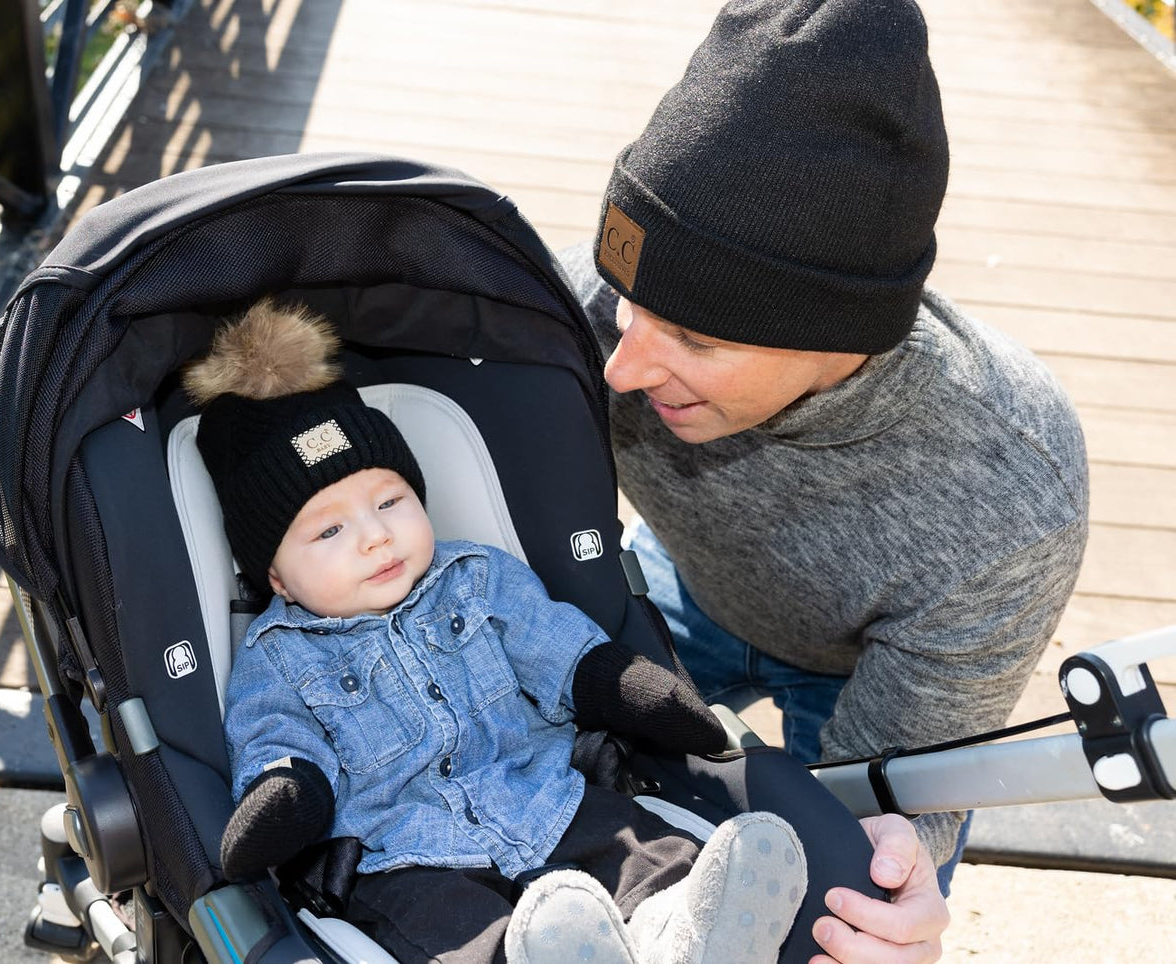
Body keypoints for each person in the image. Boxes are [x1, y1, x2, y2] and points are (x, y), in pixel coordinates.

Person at [559, 0, 1089, 958]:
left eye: (694, 338)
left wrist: (890, 873)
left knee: (840, 891)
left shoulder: (1009, 501)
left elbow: (900, 791)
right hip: (682, 582)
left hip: (862, 676)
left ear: (843, 334)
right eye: (629, 301)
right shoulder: (600, 318)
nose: (619, 368)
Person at [188, 299, 811, 964]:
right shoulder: (277, 657)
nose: (375, 537)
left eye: (390, 502)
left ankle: (687, 930)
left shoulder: (478, 578)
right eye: (330, 531)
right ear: (276, 578)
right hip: (402, 853)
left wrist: (626, 686)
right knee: (448, 933)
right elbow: (274, 739)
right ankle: (535, 956)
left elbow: (558, 651)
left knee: (638, 849)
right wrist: (290, 795)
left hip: (544, 797)